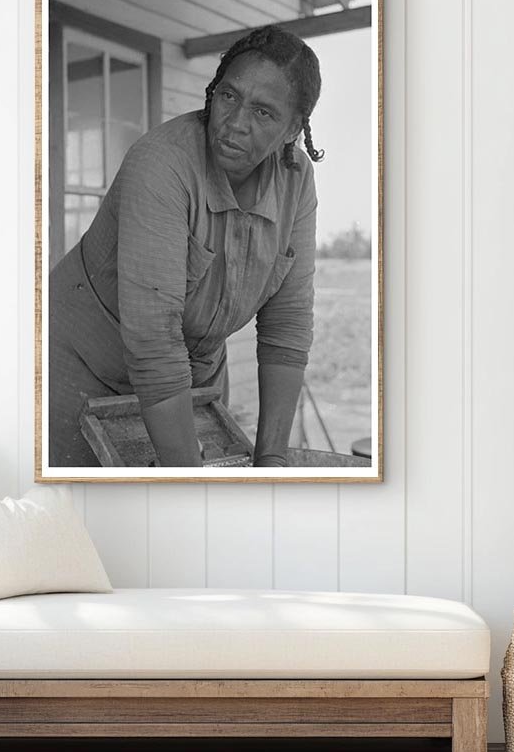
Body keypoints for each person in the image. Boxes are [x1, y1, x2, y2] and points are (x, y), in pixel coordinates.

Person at [48, 24, 324, 467]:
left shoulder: (296, 179)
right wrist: (191, 488)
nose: (235, 123)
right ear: (213, 91)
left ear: (293, 129)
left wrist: (271, 463)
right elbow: (154, 341)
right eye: (229, 96)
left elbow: (286, 328)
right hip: (80, 365)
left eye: (263, 113)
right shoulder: (161, 164)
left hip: (196, 375)